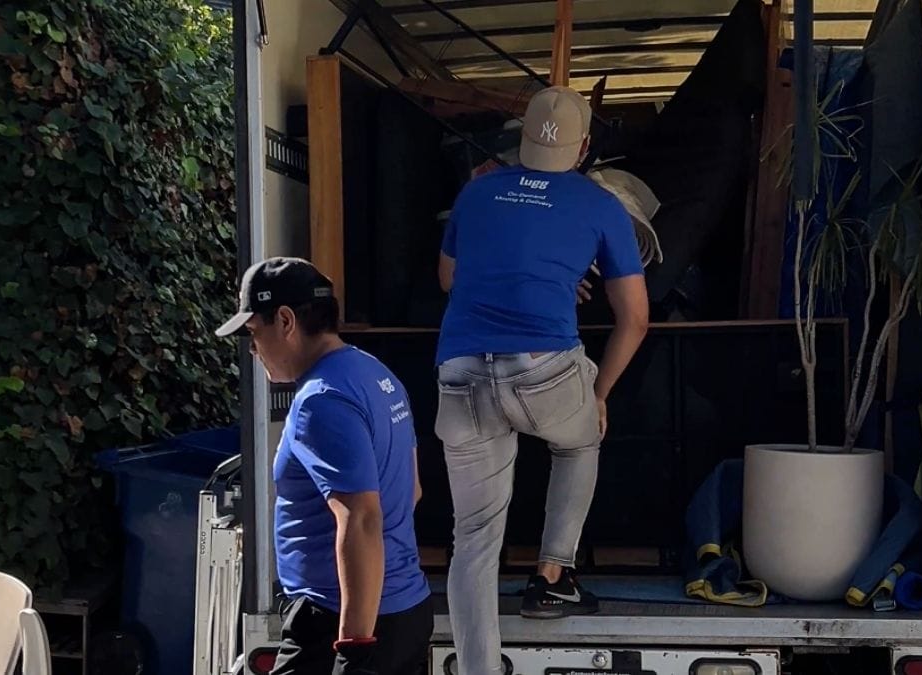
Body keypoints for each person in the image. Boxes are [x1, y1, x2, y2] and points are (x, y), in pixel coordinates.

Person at [436, 86, 650, 675]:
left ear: (522, 139)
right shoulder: (601, 205)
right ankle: (553, 575)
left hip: (460, 373)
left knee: (473, 541)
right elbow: (636, 319)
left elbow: (450, 279)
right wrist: (600, 393)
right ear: (583, 148)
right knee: (581, 437)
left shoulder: (475, 193)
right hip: (543, 371)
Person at [216, 257, 432, 675]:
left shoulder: (320, 400)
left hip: (341, 624)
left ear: (284, 321)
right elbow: (412, 491)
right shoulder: (375, 374)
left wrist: (354, 650)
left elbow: (362, 519)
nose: (253, 349)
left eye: (252, 333)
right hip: (404, 610)